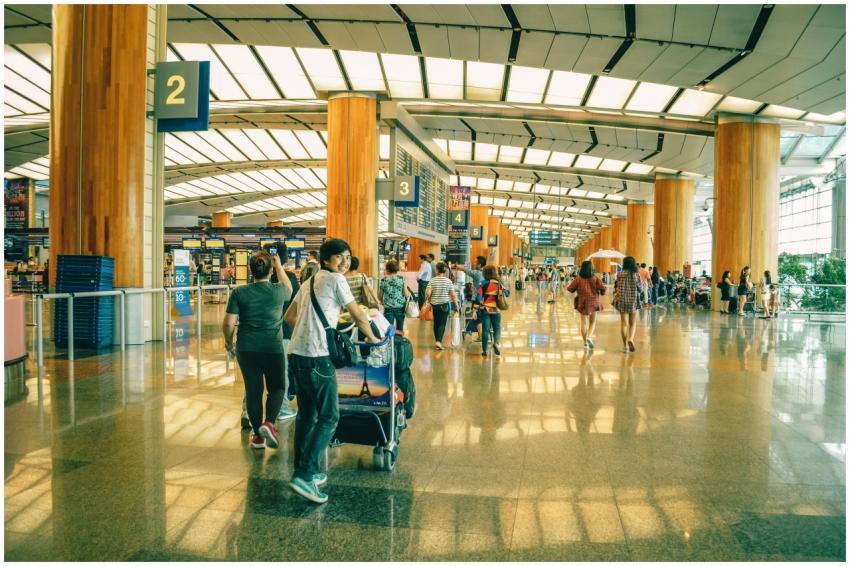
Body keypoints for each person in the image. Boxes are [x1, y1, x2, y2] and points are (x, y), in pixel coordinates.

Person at [284, 238, 379, 504]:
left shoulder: (308, 282)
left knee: (306, 415)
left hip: (297, 354)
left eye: (348, 256)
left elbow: (289, 318)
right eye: (339, 257)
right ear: (327, 259)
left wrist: (309, 329)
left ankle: (303, 470)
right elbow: (359, 315)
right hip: (318, 357)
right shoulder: (337, 281)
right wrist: (373, 339)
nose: (345, 262)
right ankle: (304, 475)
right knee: (329, 417)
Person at [222, 250, 293, 451]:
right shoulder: (279, 290)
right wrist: (278, 265)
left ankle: (257, 437)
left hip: (247, 348)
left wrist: (228, 342)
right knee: (278, 387)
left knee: (253, 391)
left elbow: (228, 323)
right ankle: (269, 423)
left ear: (251, 270)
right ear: (270, 270)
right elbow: (289, 287)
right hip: (273, 347)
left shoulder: (239, 292)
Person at [567, 260, 606, 349]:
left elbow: (570, 289)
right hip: (594, 301)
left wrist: (569, 287)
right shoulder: (595, 278)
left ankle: (585, 343)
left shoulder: (578, 278)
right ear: (591, 268)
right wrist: (602, 292)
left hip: (582, 302)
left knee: (583, 322)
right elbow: (603, 288)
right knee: (592, 322)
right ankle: (589, 337)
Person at [425, 262, 459, 350]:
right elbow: (453, 295)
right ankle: (438, 342)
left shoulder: (432, 280)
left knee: (436, 323)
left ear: (436, 270)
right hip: (444, 305)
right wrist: (456, 305)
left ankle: (437, 340)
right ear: (444, 271)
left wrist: (428, 299)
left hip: (434, 305)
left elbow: (428, 293)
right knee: (442, 324)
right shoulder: (448, 281)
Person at [613, 256, 644, 353]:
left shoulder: (620, 274)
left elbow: (617, 287)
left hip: (622, 300)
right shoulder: (636, 274)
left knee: (624, 324)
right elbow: (640, 289)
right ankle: (630, 338)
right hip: (633, 301)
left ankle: (625, 346)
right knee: (633, 323)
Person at [476, 265, 509, 356]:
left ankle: (485, 350)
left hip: (485, 309)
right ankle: (496, 343)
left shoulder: (482, 283)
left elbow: (478, 298)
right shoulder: (499, 283)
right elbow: (507, 293)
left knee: (485, 330)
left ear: (485, 273)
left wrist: (476, 308)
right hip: (496, 310)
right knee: (497, 328)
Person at [378, 259, 411, 332]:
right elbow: (406, 294)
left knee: (389, 329)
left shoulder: (384, 280)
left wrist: (382, 302)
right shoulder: (401, 279)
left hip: (388, 308)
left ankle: (391, 342)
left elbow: (380, 296)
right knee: (400, 328)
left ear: (387, 269)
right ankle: (400, 342)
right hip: (400, 307)